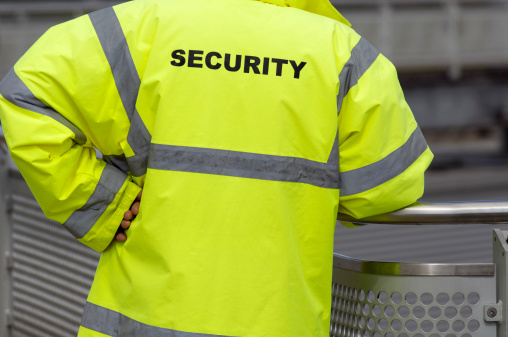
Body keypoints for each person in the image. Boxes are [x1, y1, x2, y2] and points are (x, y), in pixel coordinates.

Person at [0, 0, 433, 336]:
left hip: (141, 318)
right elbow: (390, 185)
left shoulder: (141, 27)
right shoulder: (342, 51)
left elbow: (23, 96)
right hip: (278, 321)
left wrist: (102, 201)